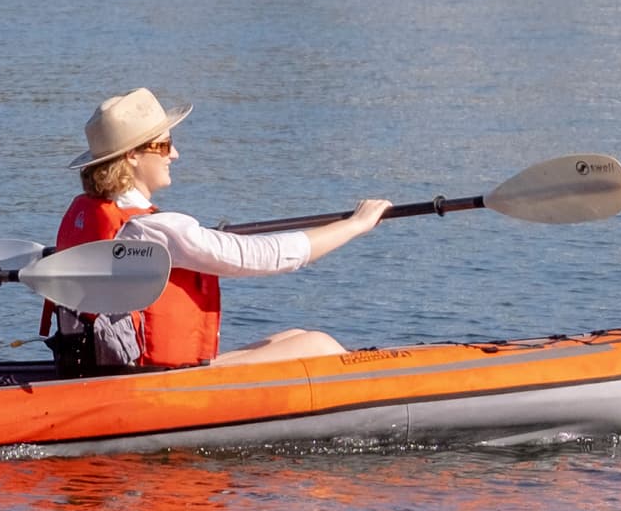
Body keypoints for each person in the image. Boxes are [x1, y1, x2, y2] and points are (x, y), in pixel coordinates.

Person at [43, 89, 387, 372]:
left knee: (295, 336)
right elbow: (265, 257)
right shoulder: (155, 229)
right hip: (153, 381)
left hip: (120, 367)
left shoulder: (86, 215)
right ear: (132, 155)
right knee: (320, 345)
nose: (174, 154)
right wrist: (354, 225)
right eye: (164, 145)